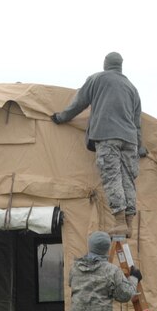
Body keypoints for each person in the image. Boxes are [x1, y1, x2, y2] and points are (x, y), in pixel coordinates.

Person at [51, 52, 146, 238]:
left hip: (107, 135)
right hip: (130, 140)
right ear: (120, 66)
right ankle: (128, 225)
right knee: (128, 180)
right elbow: (137, 123)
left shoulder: (97, 79)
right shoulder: (132, 88)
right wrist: (139, 148)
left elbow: (79, 103)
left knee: (112, 177)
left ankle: (119, 222)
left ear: (105, 63)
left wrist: (61, 117)